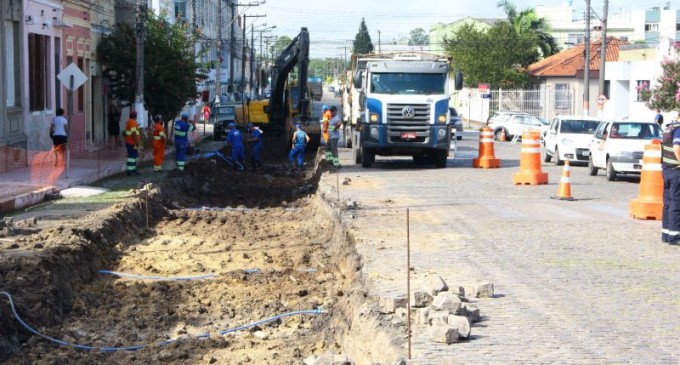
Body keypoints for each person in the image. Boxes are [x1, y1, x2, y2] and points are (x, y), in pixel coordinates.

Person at [662, 120, 680, 245]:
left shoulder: (669, 128)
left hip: (666, 169)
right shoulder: (678, 130)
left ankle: (666, 234)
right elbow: (677, 147)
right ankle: (674, 237)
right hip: (676, 170)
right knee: (676, 203)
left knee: (668, 203)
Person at [124, 110, 142, 175]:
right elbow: (134, 133)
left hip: (130, 142)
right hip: (132, 142)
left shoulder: (130, 122)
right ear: (135, 116)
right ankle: (130, 171)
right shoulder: (132, 122)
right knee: (131, 157)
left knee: (133, 157)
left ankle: (133, 170)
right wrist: (137, 142)